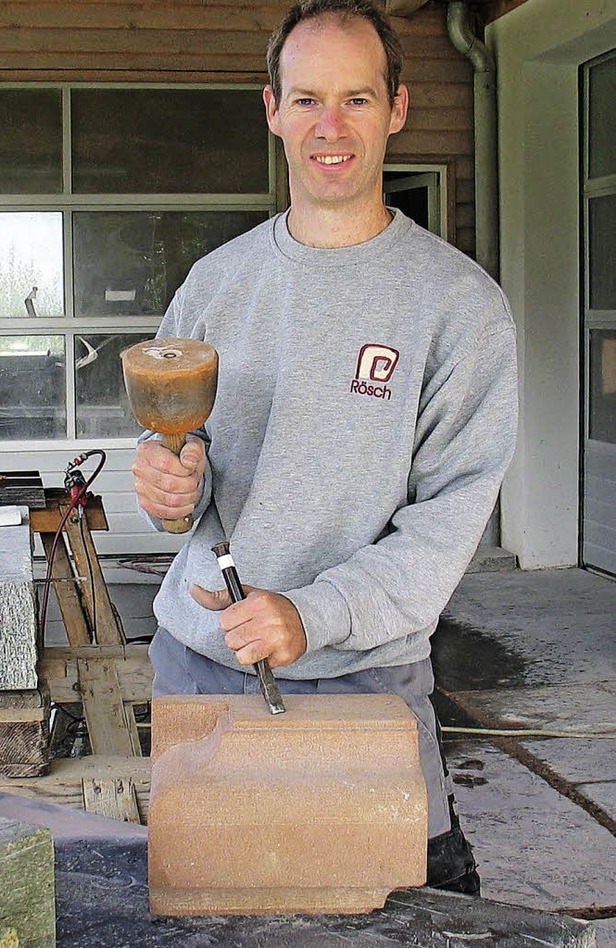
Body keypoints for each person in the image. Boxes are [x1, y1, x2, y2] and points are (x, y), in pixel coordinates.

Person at [133, 0, 518, 896]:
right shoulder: (216, 285)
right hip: (202, 664)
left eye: (355, 98)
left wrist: (313, 614)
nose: (330, 127)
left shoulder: (457, 309)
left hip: (364, 672)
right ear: (271, 109)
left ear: (399, 108)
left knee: (410, 909)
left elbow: (448, 522)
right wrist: (167, 484)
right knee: (209, 905)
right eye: (307, 100)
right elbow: (177, 464)